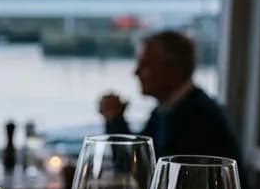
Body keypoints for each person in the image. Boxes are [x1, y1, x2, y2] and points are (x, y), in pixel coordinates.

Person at [98, 30, 241, 163]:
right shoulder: (170, 109)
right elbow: (138, 159)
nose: (136, 72)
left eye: (146, 64)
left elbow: (148, 171)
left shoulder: (197, 117)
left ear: (173, 70)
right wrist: (115, 120)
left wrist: (116, 121)